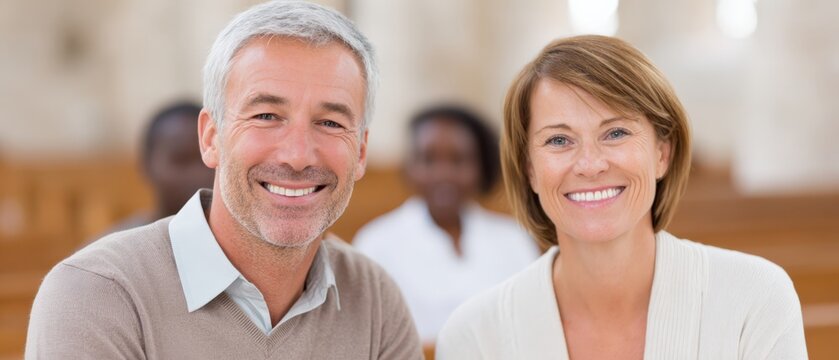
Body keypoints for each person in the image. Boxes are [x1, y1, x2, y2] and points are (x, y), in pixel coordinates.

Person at [26, 1, 422, 358]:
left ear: (361, 153)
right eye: (266, 115)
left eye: (331, 122)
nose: (298, 155)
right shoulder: (98, 294)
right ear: (210, 138)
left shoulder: (375, 300)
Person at [436, 35, 807, 359]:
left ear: (663, 154)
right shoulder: (475, 336)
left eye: (615, 133)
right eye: (559, 140)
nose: (590, 164)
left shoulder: (755, 299)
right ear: (530, 170)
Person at [354, 105, 539, 344]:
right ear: (409, 167)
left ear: (480, 167)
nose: (443, 174)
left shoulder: (513, 239)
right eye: (428, 159)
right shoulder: (376, 243)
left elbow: (531, 323)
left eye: (458, 160)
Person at [110, 101, 215, 231]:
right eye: (182, 160)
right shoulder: (118, 249)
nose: (199, 174)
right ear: (147, 165)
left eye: (209, 156)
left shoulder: (238, 244)